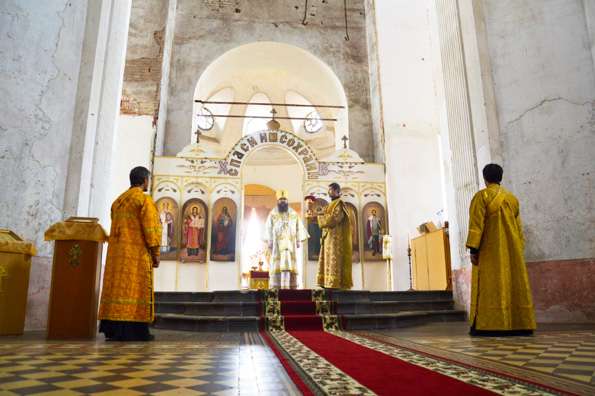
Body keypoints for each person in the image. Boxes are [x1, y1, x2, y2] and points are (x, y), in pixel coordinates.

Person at [466, 164, 536, 336]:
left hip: (490, 252)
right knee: (512, 284)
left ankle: (489, 325)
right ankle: (520, 323)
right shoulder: (512, 199)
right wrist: (518, 249)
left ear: (485, 178)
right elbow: (519, 229)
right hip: (511, 251)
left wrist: (473, 249)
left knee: (490, 286)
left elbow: (476, 225)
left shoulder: (481, 196)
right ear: (501, 177)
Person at [98, 166, 161, 341]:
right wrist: (155, 253)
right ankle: (134, 331)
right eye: (149, 179)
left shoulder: (118, 201)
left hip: (116, 256)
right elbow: (151, 229)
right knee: (135, 290)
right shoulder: (143, 200)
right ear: (145, 180)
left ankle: (113, 330)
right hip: (135, 255)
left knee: (117, 290)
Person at [265, 190, 308, 289]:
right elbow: (268, 227)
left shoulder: (293, 213)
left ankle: (290, 286)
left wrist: (298, 240)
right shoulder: (273, 213)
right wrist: (270, 240)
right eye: (281, 199)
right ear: (278, 201)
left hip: (290, 243)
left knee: (289, 264)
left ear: (287, 200)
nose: (283, 201)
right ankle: (277, 286)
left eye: (284, 199)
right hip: (277, 244)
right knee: (278, 264)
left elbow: (298, 227)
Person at [317, 183, 353, 289]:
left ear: (337, 191)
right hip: (328, 238)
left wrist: (319, 217)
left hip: (336, 240)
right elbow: (324, 215)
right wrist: (316, 215)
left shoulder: (339, 204)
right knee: (327, 260)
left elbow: (334, 218)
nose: (329, 192)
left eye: (331, 190)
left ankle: (335, 283)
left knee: (334, 260)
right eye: (328, 190)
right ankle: (327, 282)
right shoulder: (329, 204)